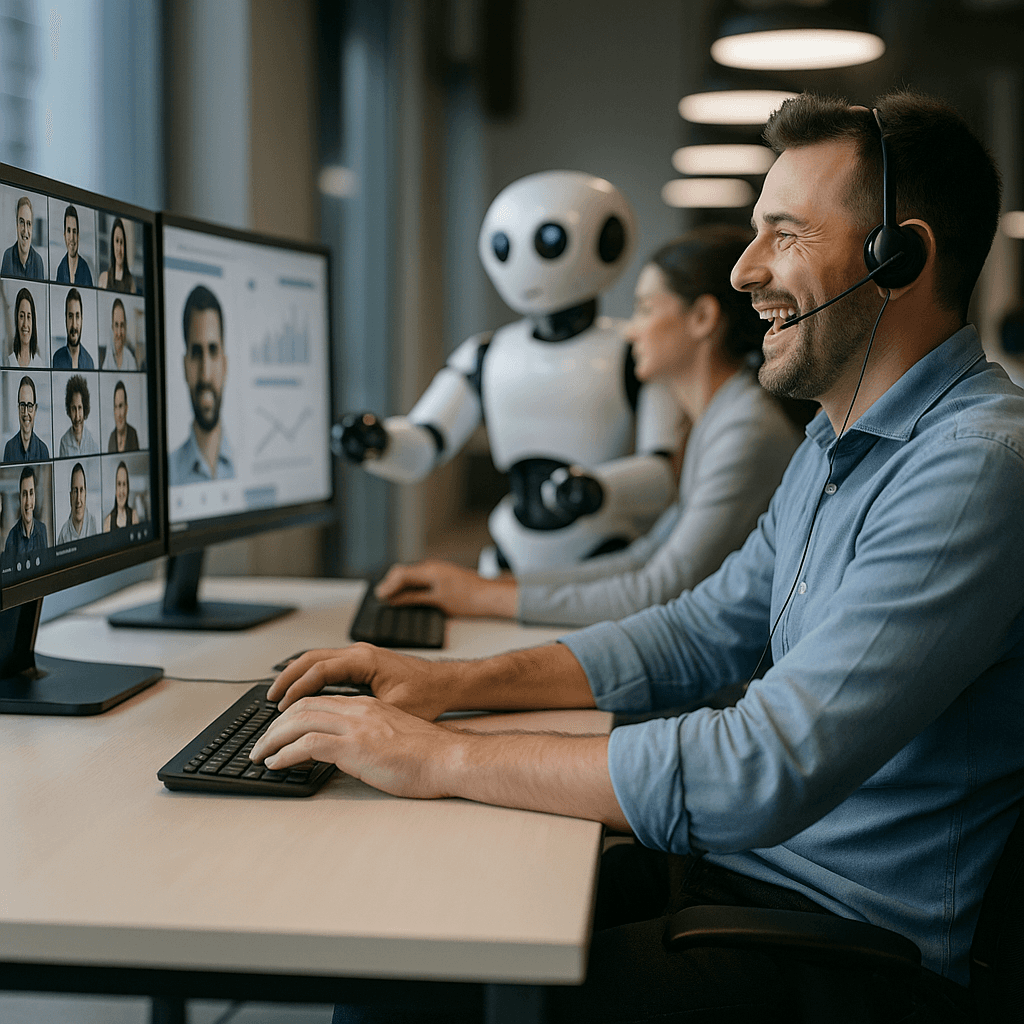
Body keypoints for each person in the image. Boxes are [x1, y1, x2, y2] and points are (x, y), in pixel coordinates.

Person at [251, 90, 1024, 1021]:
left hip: (849, 947)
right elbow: (699, 632)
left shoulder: (975, 470)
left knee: (425, 983)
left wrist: (441, 756)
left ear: (899, 258)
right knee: (406, 935)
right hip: (746, 878)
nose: (744, 273)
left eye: (785, 233)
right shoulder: (834, 444)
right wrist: (445, 685)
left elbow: (761, 767)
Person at [378, 226, 805, 627]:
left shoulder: (745, 429)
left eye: (644, 309)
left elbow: (660, 588)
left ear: (702, 318)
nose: (631, 330)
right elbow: (643, 558)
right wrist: (486, 586)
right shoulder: (720, 419)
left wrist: (483, 598)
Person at [168, 284, 235, 484]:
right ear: (185, 366)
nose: (205, 375)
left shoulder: (246, 464)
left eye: (213, 351)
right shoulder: (169, 472)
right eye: (197, 353)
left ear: (224, 365)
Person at [2, 465, 47, 570]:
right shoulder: (11, 539)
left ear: (35, 496)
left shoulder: (42, 530)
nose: (28, 502)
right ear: (19, 498)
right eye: (24, 494)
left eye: (31, 493)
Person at [3, 375, 50, 463]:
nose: (25, 413)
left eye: (29, 406)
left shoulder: (43, 450)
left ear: (35, 409)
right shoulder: (9, 448)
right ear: (18, 408)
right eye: (22, 405)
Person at [0, 196, 45, 280]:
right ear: (16, 225)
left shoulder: (38, 261)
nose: (25, 230)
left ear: (32, 228)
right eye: (21, 222)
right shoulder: (8, 256)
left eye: (28, 224)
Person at [52, 288, 95, 369]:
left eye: (77, 316)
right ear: (65, 320)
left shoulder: (89, 362)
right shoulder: (56, 359)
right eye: (70, 316)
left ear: (82, 319)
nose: (74, 325)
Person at [58, 375, 99, 457]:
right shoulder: (64, 442)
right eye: (73, 408)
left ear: (85, 408)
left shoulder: (93, 441)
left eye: (80, 408)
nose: (77, 417)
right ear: (69, 410)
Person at [57, 462, 98, 544]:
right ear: (70, 497)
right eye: (75, 491)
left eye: (81, 490)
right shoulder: (63, 535)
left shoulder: (95, 524)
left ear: (85, 494)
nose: (78, 500)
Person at [54, 205, 93, 286]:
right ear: (64, 235)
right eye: (68, 231)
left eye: (74, 231)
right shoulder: (61, 269)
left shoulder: (85, 268)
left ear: (78, 236)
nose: (71, 238)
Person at [6, 288, 45, 367]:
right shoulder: (8, 362)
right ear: (16, 319)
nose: (25, 324)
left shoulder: (39, 363)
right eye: (21, 316)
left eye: (28, 317)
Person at [97, 217, 136, 293]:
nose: (119, 248)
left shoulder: (131, 282)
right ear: (112, 244)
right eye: (117, 241)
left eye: (122, 242)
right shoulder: (103, 278)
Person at [100, 298, 137, 371]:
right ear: (112, 327)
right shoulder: (105, 358)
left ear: (125, 327)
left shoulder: (131, 360)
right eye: (116, 325)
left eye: (122, 325)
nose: (119, 333)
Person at [103, 460, 138, 532]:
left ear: (128, 489)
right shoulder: (108, 522)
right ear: (115, 489)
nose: (121, 490)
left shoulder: (134, 516)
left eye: (124, 484)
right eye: (119, 484)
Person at [107, 379, 140, 453]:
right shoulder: (111, 438)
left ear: (126, 408)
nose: (119, 414)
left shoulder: (133, 435)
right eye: (116, 407)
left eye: (121, 406)